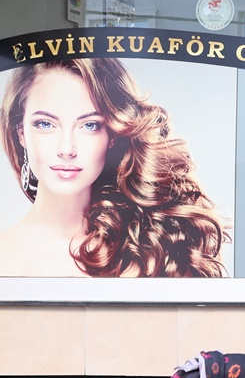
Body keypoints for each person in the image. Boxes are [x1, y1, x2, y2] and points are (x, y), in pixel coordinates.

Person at [0, 58, 225, 277]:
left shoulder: (153, 247)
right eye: (45, 124)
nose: (66, 148)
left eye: (89, 125)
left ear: (112, 137)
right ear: (20, 134)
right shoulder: (5, 257)